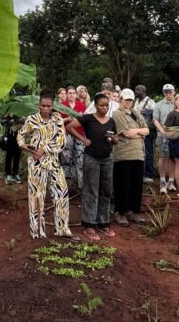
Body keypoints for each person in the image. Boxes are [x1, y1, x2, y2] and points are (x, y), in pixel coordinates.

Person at [17, 90, 76, 240]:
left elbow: (61, 140)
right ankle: (37, 231)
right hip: (36, 164)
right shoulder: (32, 119)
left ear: (52, 106)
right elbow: (21, 135)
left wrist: (43, 150)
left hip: (53, 162)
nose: (45, 108)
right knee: (37, 196)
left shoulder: (57, 119)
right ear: (39, 105)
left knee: (61, 193)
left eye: (48, 106)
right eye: (43, 105)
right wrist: (25, 146)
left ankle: (62, 228)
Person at [66, 92, 117, 240]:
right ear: (95, 106)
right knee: (91, 190)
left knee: (106, 190)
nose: (104, 108)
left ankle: (104, 223)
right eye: (101, 105)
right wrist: (83, 139)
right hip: (91, 158)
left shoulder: (111, 121)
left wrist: (113, 138)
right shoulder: (88, 118)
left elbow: (116, 139)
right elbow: (70, 127)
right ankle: (89, 225)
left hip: (107, 159)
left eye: (106, 105)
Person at [111, 89, 149, 226]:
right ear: (121, 99)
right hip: (123, 155)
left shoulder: (136, 113)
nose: (128, 102)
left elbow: (147, 130)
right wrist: (141, 132)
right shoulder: (117, 114)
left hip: (138, 154)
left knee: (136, 184)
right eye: (126, 99)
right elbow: (126, 133)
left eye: (130, 100)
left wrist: (138, 131)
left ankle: (133, 211)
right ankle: (120, 212)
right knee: (122, 184)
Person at [60, 85, 87, 190]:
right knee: (67, 159)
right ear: (66, 94)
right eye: (69, 93)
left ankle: (81, 185)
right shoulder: (62, 105)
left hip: (79, 134)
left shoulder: (81, 106)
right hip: (67, 134)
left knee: (80, 159)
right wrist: (67, 119)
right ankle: (66, 185)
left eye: (73, 93)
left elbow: (85, 121)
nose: (71, 95)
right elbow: (58, 121)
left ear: (76, 94)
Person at [153, 84, 177, 194]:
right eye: (166, 92)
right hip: (162, 135)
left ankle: (171, 181)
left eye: (170, 91)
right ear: (163, 93)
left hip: (176, 135)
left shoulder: (178, 103)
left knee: (173, 159)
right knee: (163, 158)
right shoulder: (158, 105)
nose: (168, 94)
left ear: (174, 92)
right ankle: (162, 181)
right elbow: (155, 120)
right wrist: (161, 130)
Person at [133, 85, 157, 184]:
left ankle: (149, 175)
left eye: (138, 90)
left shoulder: (151, 103)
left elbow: (155, 119)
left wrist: (146, 128)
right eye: (135, 89)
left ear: (144, 91)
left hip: (147, 132)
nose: (136, 91)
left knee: (148, 152)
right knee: (139, 153)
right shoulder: (135, 102)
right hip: (137, 131)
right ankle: (140, 174)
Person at [2, 115, 23, 184]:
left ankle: (16, 173)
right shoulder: (8, 114)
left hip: (19, 136)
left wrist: (21, 120)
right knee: (9, 155)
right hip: (9, 136)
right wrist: (11, 119)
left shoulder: (20, 113)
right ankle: (8, 174)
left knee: (17, 155)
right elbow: (3, 122)